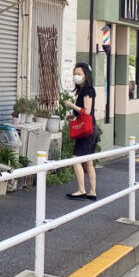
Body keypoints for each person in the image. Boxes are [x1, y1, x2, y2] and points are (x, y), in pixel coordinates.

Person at [64, 63, 97, 201]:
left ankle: (81, 189)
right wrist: (74, 115)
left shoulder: (87, 90)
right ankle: (92, 191)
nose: (76, 76)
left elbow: (87, 111)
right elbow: (85, 113)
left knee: (76, 158)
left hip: (87, 130)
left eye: (79, 74)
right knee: (88, 161)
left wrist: (71, 105)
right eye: (75, 73)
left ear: (85, 76)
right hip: (91, 128)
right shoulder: (85, 89)